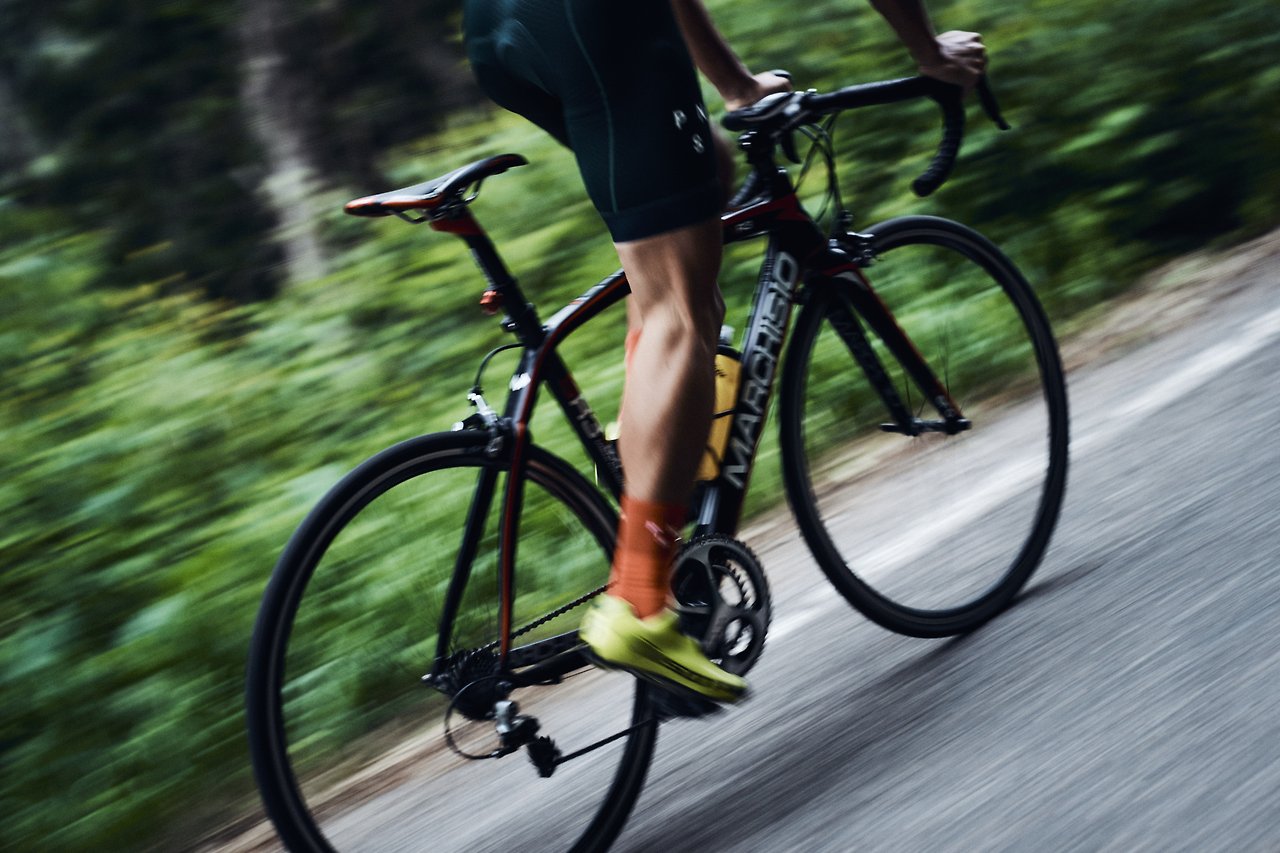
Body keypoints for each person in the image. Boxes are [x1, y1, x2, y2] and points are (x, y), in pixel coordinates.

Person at [461, 0, 986, 707]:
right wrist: (930, 52)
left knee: (700, 179)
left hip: (498, 30)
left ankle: (662, 497)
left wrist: (736, 87)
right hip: (594, 21)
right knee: (683, 309)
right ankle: (640, 600)